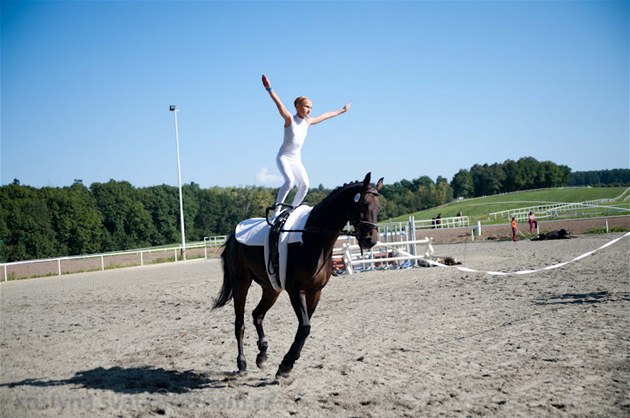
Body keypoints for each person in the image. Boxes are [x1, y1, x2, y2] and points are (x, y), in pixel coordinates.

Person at [262, 74, 351, 217]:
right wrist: (269, 88)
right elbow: (279, 104)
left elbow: (326, 115)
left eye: (311, 107)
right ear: (298, 106)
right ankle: (276, 210)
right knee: (289, 181)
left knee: (305, 184)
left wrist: (342, 111)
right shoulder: (290, 119)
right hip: (284, 157)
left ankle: (292, 210)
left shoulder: (308, 122)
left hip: (296, 159)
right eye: (306, 106)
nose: (310, 110)